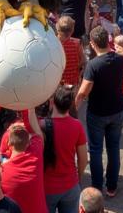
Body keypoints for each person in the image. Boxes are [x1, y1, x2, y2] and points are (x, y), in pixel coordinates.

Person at [76, 25, 123, 195]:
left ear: (92, 43)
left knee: (96, 150)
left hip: (98, 113)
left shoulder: (93, 65)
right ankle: (111, 187)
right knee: (113, 148)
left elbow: (83, 91)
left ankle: (97, 186)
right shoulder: (120, 59)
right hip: (118, 110)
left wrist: (74, 108)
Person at [41, 85, 87, 213]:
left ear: (52, 102)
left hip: (47, 187)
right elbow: (83, 159)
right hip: (70, 186)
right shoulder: (77, 126)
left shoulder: (43, 125)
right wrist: (78, 177)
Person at [1, 120, 45, 213]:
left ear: (9, 143)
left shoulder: (1, 171)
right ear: (28, 144)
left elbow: (2, 152)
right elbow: (37, 135)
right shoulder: (36, 157)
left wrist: (9, 131)